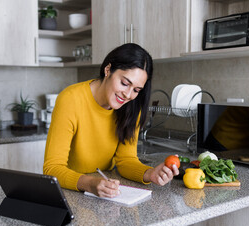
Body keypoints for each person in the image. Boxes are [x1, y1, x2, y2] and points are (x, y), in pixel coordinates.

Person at [43, 43, 179, 198]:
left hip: (105, 191)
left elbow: (126, 160)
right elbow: (52, 168)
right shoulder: (70, 99)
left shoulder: (132, 107)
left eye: (136, 90)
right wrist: (90, 184)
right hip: (71, 192)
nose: (128, 95)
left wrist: (150, 174)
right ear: (108, 70)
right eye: (125, 83)